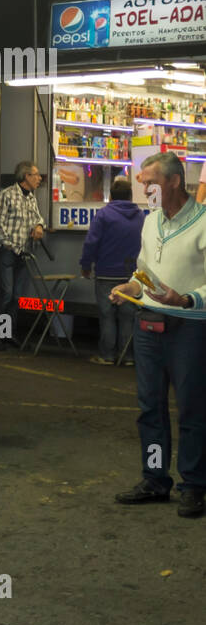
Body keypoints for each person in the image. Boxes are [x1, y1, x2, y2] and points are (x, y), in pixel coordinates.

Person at [108, 152, 206, 518]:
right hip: (149, 323)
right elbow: (144, 270)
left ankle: (194, 485)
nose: (144, 188)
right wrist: (132, 287)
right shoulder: (150, 222)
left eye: (150, 181)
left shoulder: (203, 222)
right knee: (150, 408)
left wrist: (186, 298)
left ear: (175, 182)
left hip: (191, 326)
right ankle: (155, 479)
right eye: (142, 182)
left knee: (193, 409)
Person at [79, 176, 143, 365]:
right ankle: (128, 356)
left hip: (106, 273)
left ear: (111, 196)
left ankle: (107, 355)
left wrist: (85, 265)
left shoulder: (104, 215)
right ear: (130, 195)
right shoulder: (141, 216)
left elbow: (91, 243)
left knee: (107, 316)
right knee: (127, 317)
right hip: (131, 277)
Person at [0, 161, 45, 351]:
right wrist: (9, 245)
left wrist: (39, 226)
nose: (39, 178)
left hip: (24, 253)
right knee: (6, 294)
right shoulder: (6, 195)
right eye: (36, 175)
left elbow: (38, 218)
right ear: (26, 176)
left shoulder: (31, 198)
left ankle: (7, 334)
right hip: (8, 252)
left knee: (16, 297)